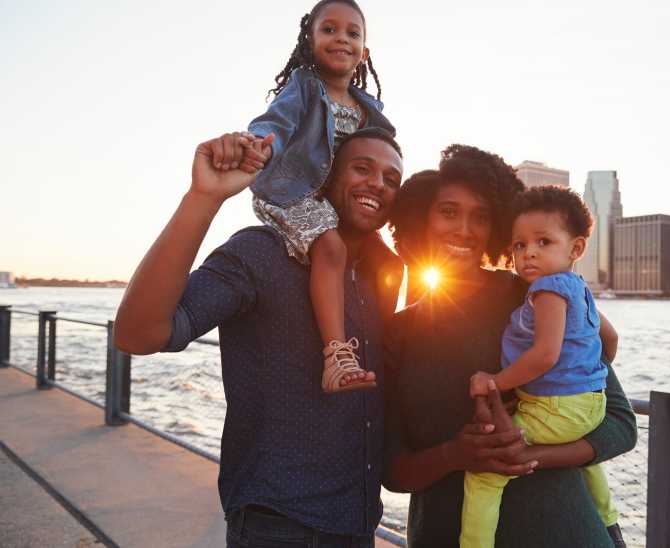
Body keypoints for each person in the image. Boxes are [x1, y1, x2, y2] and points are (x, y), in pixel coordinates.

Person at [114, 127, 404, 548]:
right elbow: (138, 335)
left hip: (359, 524)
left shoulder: (384, 273)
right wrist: (204, 197)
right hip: (277, 525)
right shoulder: (261, 253)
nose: (377, 183)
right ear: (324, 175)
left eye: (391, 178)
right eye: (362, 168)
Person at [384, 144, 636, 548]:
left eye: (482, 217)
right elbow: (392, 471)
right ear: (420, 218)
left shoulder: (535, 298)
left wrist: (524, 455)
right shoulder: (396, 332)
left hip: (565, 533)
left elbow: (620, 425)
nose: (464, 229)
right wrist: (457, 454)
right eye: (448, 211)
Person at [244, 0, 395, 393]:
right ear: (310, 41)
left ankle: (388, 343)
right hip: (291, 192)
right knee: (331, 247)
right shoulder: (304, 88)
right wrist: (257, 145)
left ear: (365, 51)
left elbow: (387, 151)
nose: (341, 38)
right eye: (329, 30)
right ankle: (336, 355)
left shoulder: (370, 110)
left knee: (386, 259)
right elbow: (273, 123)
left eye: (352, 33)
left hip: (335, 203)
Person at [461, 185, 621, 548]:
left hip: (556, 408)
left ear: (575, 248)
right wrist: (588, 371)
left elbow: (545, 355)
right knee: (584, 456)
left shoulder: (547, 291)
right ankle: (610, 523)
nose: (528, 252)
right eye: (519, 245)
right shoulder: (579, 288)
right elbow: (610, 339)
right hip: (589, 403)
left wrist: (495, 382)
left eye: (543, 242)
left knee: (484, 474)